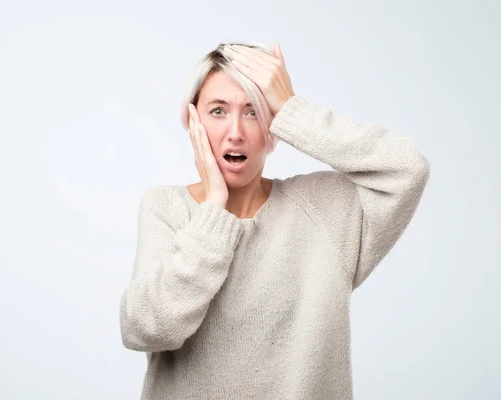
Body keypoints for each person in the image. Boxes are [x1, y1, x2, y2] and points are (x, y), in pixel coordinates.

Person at [119, 41, 430, 400]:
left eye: (253, 111)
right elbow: (146, 328)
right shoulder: (166, 207)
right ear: (193, 123)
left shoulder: (326, 210)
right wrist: (215, 210)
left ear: (274, 130)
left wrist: (293, 111)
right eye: (218, 111)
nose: (235, 131)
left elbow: (407, 168)